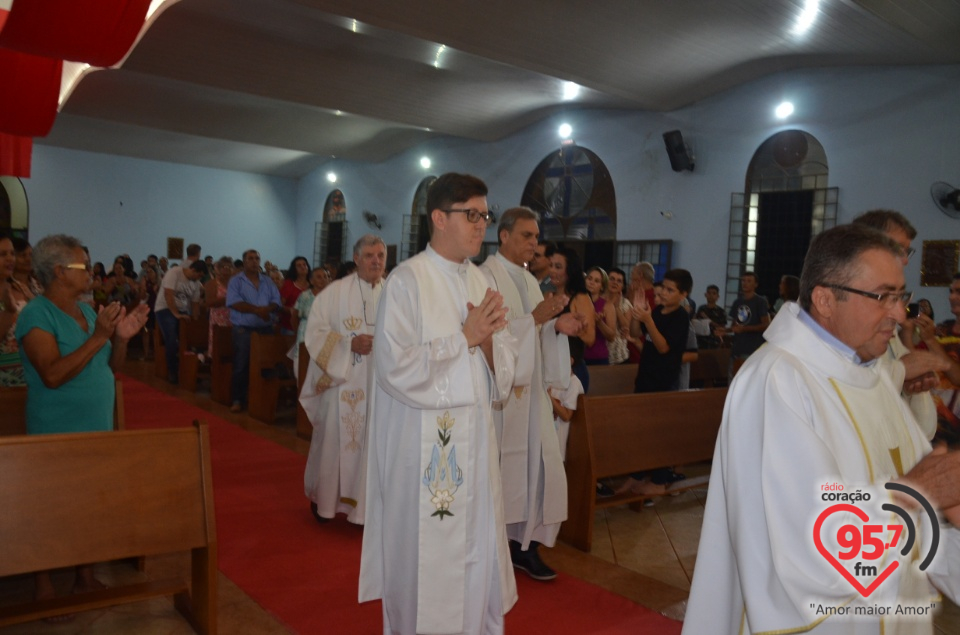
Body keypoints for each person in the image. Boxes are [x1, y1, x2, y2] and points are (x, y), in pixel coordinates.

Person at [683, 224, 960, 635]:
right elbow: (809, 550)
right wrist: (916, 493)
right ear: (825, 299)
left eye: (900, 296)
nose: (900, 314)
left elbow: (927, 520)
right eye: (883, 296)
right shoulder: (778, 381)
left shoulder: (874, 375)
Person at [359, 173, 519, 635]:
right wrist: (464, 339)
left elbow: (503, 369)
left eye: (484, 216)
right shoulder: (407, 282)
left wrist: (486, 343)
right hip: (424, 459)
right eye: (471, 215)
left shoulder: (481, 280)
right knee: (425, 565)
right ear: (438, 217)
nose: (481, 225)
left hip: (477, 452)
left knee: (475, 554)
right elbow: (393, 368)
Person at [15, 234, 149, 608]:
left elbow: (109, 368)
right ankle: (43, 585)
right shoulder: (36, 314)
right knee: (50, 507)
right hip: (55, 427)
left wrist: (119, 339)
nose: (91, 271)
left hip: (96, 426)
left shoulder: (88, 312)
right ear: (59, 272)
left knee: (90, 504)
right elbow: (52, 375)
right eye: (83, 266)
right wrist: (100, 337)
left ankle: (84, 576)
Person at [480, 206, 583, 582]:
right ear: (504, 235)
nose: (535, 244)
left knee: (540, 469)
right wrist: (538, 320)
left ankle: (525, 547)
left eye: (537, 237)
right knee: (506, 471)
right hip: (503, 401)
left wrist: (557, 326)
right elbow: (488, 340)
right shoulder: (483, 278)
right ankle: (496, 548)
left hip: (532, 396)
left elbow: (531, 331)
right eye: (527, 236)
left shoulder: (526, 281)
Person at [301, 235, 386, 524]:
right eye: (370, 255)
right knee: (334, 442)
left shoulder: (394, 293)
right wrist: (349, 344)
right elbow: (314, 333)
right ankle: (325, 502)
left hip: (380, 386)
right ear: (357, 258)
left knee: (374, 444)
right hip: (342, 382)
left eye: (381, 255)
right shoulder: (334, 293)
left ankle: (365, 509)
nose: (376, 261)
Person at [226, 249, 280, 413]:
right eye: (250, 258)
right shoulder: (236, 281)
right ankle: (237, 399)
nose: (255, 261)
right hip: (244, 329)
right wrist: (258, 311)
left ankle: (264, 400)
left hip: (265, 328)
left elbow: (276, 302)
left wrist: (267, 310)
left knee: (268, 364)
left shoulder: (268, 281)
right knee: (242, 364)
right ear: (244, 262)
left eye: (257, 258)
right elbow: (235, 303)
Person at [154, 258, 206, 384]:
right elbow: (168, 294)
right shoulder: (174, 272)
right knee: (172, 339)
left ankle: (189, 371)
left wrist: (195, 321)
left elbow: (194, 304)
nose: (198, 278)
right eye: (198, 275)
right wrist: (176, 314)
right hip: (165, 308)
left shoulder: (195, 283)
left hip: (183, 311)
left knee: (190, 339)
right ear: (193, 269)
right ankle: (173, 371)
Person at [549, 248, 595, 392]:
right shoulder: (548, 296)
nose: (552, 271)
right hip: (552, 368)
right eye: (551, 265)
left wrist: (577, 328)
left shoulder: (580, 298)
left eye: (558, 267)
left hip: (572, 370)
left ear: (570, 271)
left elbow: (590, 338)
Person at [721, 271, 770, 374]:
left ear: (755, 284)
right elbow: (735, 325)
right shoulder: (737, 302)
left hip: (753, 348)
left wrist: (745, 329)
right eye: (743, 281)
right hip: (737, 348)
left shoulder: (760, 302)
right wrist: (725, 330)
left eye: (749, 281)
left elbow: (765, 325)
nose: (745, 283)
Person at [0, 233, 24, 386]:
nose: (10, 259)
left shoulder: (19, 287)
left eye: (12, 254)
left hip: (26, 376)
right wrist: (9, 312)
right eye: (2, 254)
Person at [583, 266, 617, 366]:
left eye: (597, 281)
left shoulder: (607, 306)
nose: (591, 282)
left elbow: (611, 336)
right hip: (577, 356)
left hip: (598, 357)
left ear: (602, 286)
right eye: (589, 279)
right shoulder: (577, 300)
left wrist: (599, 323)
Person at [204, 256, 234, 358]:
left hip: (234, 319)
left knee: (231, 348)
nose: (227, 269)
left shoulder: (236, 284)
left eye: (230, 267)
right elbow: (209, 303)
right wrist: (228, 299)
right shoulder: (212, 284)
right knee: (218, 347)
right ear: (219, 269)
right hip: (218, 319)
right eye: (224, 266)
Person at [604, 267, 633, 364]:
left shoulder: (626, 303)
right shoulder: (597, 300)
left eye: (619, 281)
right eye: (612, 279)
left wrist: (616, 307)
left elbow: (625, 328)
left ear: (623, 286)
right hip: (600, 353)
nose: (615, 282)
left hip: (619, 356)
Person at [279, 256, 311, 335]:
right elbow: (280, 305)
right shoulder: (288, 284)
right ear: (294, 269)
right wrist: (291, 310)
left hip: (309, 327)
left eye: (304, 264)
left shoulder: (312, 284)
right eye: (299, 265)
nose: (303, 267)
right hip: (290, 327)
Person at [695, 283, 727, 349]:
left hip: (714, 342)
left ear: (718, 296)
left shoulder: (721, 311)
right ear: (705, 295)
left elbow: (722, 328)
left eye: (714, 293)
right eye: (709, 293)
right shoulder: (701, 308)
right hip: (700, 341)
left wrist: (708, 320)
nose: (711, 295)